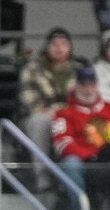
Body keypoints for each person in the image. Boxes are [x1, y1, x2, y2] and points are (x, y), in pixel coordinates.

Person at [50, 67, 110, 210]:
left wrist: (104, 156)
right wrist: (90, 156)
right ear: (75, 86)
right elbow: (62, 143)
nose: (88, 89)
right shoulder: (63, 113)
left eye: (91, 84)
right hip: (82, 162)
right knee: (71, 164)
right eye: (83, 84)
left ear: (97, 86)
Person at [18, 28, 79, 158]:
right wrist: (53, 111)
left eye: (63, 44)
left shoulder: (79, 69)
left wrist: (61, 111)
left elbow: (86, 98)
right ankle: (42, 175)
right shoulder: (32, 68)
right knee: (40, 121)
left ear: (70, 47)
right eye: (54, 44)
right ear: (47, 47)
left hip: (73, 115)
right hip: (41, 115)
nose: (59, 48)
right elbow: (29, 102)